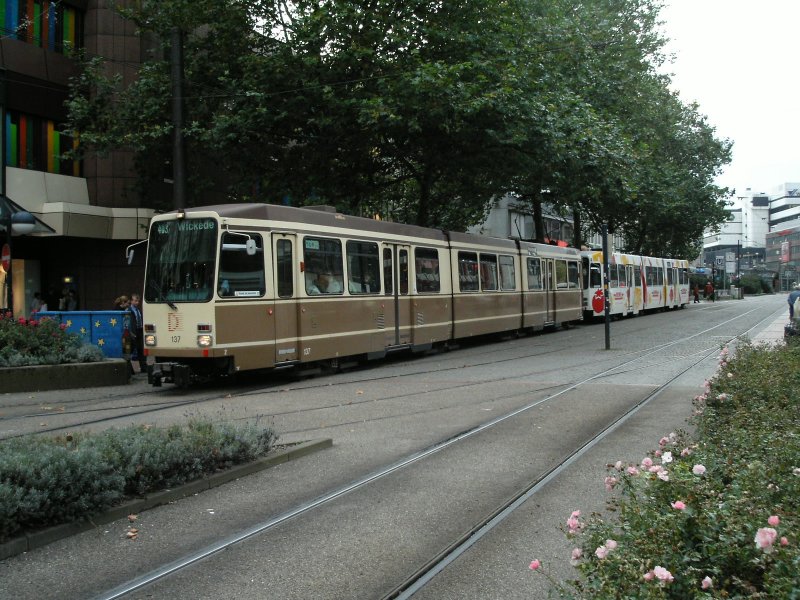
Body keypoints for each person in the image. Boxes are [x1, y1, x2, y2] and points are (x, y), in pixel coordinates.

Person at [129, 293, 146, 374]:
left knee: (140, 349)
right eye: (135, 301)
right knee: (132, 350)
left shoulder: (138, 310)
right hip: (133, 332)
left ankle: (143, 367)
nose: (137, 302)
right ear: (131, 301)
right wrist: (131, 332)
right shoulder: (129, 310)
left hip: (139, 331)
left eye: (138, 301)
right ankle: (130, 369)